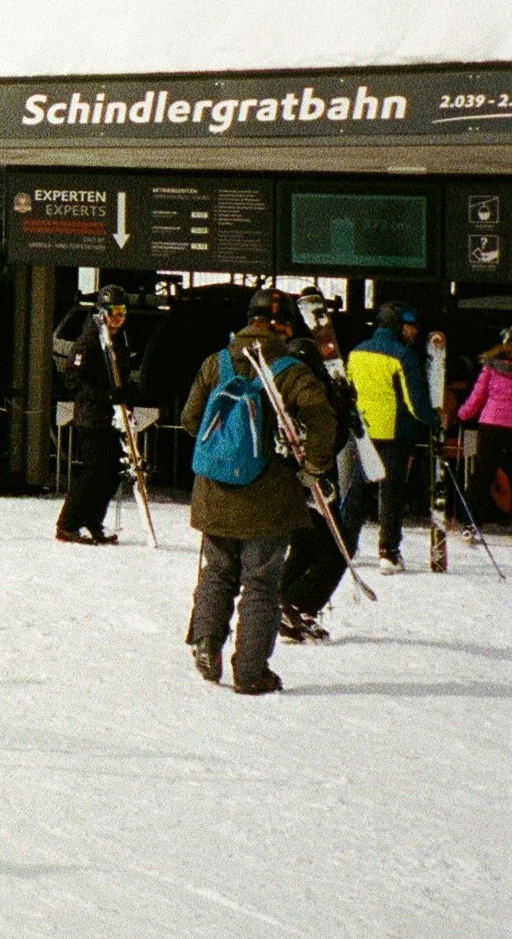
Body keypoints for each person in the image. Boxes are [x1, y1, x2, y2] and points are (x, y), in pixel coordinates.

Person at [180, 289, 336, 693]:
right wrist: (312, 468)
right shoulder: (291, 369)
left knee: (217, 572)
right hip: (269, 499)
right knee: (261, 583)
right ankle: (250, 671)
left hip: (214, 492)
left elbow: (189, 420)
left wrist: (223, 453)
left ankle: (206, 644)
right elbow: (321, 421)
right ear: (284, 325)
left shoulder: (216, 363)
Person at [277, 312, 365, 638]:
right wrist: (342, 410)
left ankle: (280, 604)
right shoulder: (314, 395)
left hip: (290, 488)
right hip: (312, 485)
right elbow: (329, 439)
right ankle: (298, 604)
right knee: (337, 549)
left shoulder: (279, 391)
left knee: (304, 547)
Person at [346, 299, 433, 571]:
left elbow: (349, 390)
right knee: (391, 493)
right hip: (395, 432)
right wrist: (433, 420)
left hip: (364, 430)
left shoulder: (356, 352)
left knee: (357, 491)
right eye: (409, 326)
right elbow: (413, 401)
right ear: (397, 326)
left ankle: (346, 546)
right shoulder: (402, 355)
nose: (413, 331)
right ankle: (389, 552)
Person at [54, 288, 137, 545]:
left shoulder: (120, 339)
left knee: (111, 472)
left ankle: (93, 520)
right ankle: (67, 524)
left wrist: (127, 393)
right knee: (93, 471)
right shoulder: (89, 338)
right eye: (113, 313)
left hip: (112, 417)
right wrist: (103, 395)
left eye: (122, 313)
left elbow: (121, 375)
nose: (117, 319)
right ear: (102, 312)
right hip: (91, 417)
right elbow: (72, 378)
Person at [456, 325, 512, 554]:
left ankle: (470, 523)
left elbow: (478, 395)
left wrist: (463, 414)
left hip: (491, 425)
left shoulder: (490, 368)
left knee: (482, 475)